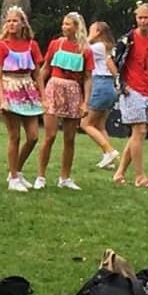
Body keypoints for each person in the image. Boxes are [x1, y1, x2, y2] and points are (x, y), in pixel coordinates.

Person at [33, 12, 93, 191]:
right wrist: (38, 89)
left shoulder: (85, 50)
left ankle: (65, 177)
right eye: (63, 24)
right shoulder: (56, 44)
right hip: (54, 88)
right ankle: (40, 176)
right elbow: (45, 68)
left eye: (68, 24)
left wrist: (85, 102)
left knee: (69, 138)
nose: (64, 27)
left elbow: (88, 77)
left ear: (76, 27)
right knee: (49, 135)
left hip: (73, 91)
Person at [0, 5, 44, 192]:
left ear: (23, 23)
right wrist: (2, 99)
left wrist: (43, 96)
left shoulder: (32, 45)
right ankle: (13, 178)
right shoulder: (2, 45)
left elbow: (38, 74)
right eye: (9, 21)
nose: (11, 24)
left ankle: (16, 170)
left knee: (33, 136)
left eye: (15, 21)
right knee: (15, 135)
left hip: (28, 89)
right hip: (10, 88)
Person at [112, 2, 148, 189]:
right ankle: (140, 176)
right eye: (140, 17)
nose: (143, 21)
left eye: (146, 17)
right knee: (138, 131)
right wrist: (121, 83)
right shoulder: (128, 39)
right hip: (132, 90)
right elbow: (111, 59)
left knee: (139, 133)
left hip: (147, 89)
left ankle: (119, 173)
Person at [81, 21, 120, 170]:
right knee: (100, 125)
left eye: (91, 30)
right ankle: (108, 157)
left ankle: (109, 151)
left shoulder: (97, 47)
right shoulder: (108, 47)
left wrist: (90, 38)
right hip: (109, 86)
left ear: (98, 32)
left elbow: (81, 50)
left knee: (86, 124)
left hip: (100, 84)